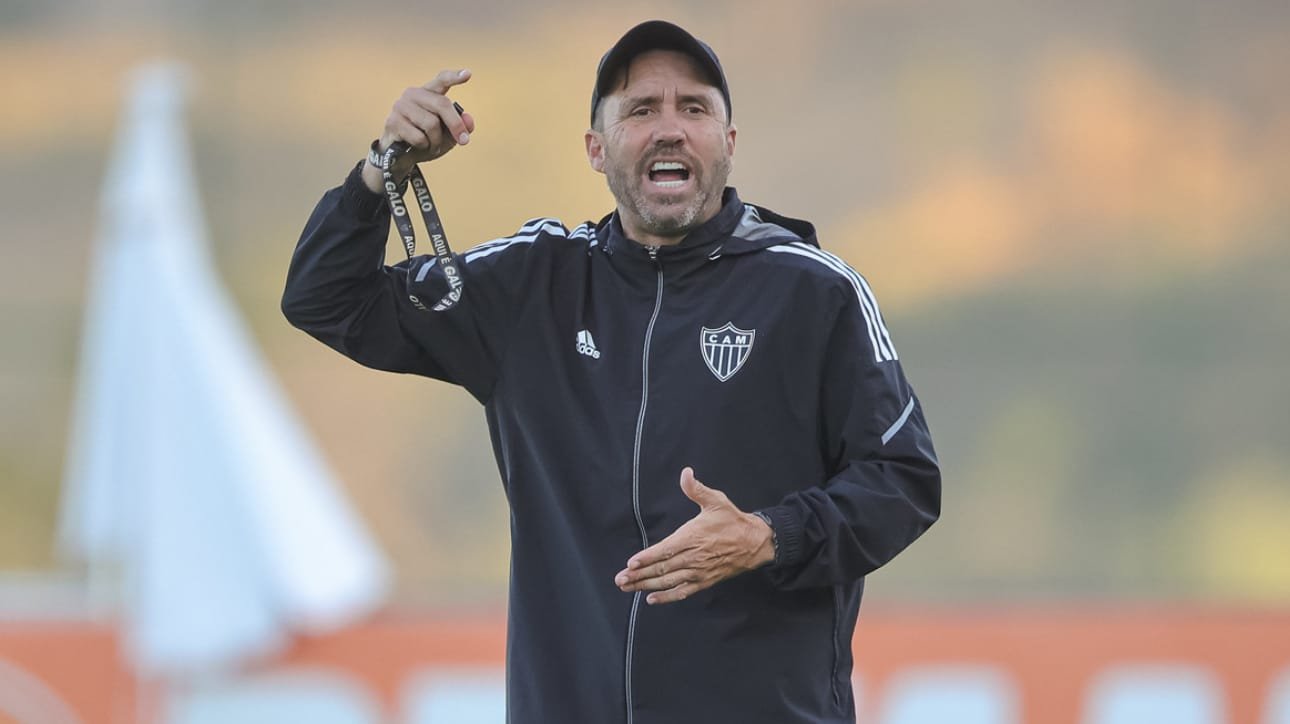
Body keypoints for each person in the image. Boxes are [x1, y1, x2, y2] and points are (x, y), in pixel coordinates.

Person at [282, 19, 940, 724]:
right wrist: (381, 172)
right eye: (639, 110)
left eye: (694, 108)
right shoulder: (534, 284)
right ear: (596, 149)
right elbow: (327, 299)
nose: (669, 128)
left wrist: (770, 534)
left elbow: (903, 480)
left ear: (728, 143)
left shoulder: (812, 291)